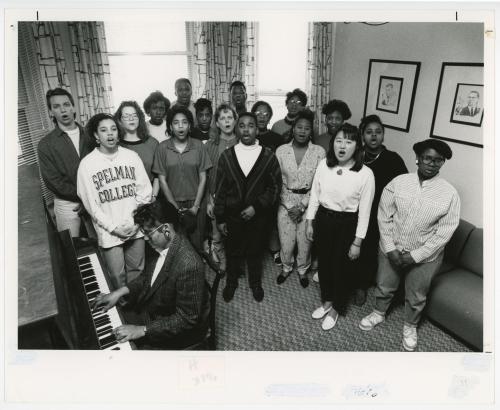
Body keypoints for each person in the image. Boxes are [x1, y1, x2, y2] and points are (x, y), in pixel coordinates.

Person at [359, 139, 460, 352]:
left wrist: (414, 256)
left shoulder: (449, 194)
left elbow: (445, 232)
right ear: (417, 159)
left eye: (438, 160)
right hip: (391, 247)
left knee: (416, 295)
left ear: (443, 163)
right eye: (427, 158)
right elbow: (383, 217)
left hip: (426, 256)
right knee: (384, 285)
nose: (432, 164)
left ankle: (410, 326)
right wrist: (390, 248)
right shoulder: (398, 182)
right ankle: (378, 313)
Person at [90, 200, 210, 350]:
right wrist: (118, 293)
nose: (145, 238)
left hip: (176, 331)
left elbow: (186, 319)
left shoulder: (189, 265)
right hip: (154, 311)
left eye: (148, 232)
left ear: (166, 229)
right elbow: (147, 278)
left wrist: (141, 330)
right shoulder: (161, 247)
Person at [306, 123, 375, 331]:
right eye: (338, 140)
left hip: (348, 224)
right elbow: (315, 195)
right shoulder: (323, 165)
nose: (342, 146)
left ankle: (337, 307)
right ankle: (326, 301)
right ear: (332, 143)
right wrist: (310, 222)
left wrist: (357, 242)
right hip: (324, 220)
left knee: (342, 267)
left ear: (357, 146)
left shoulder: (365, 173)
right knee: (325, 264)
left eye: (349, 141)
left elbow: (365, 212)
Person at [77, 113, 152, 289]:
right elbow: (91, 206)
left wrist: (136, 222)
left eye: (113, 129)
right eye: (103, 130)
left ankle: (138, 308)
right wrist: (114, 228)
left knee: (137, 271)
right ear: (96, 136)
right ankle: (125, 312)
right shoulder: (87, 165)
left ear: (118, 133)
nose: (110, 134)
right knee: (117, 277)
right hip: (109, 232)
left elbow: (145, 191)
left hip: (135, 226)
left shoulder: (131, 156)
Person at [215, 112, 282, 302]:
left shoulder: (268, 156)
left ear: (257, 129)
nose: (246, 129)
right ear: (237, 128)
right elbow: (219, 189)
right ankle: (232, 282)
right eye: (242, 125)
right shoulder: (227, 157)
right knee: (233, 250)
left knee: (255, 251)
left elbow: (275, 187)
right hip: (232, 215)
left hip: (258, 216)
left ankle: (255, 282)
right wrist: (220, 218)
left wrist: (257, 206)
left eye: (250, 125)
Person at [353, 115, 408, 305]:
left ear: (383, 135)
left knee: (368, 249)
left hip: (381, 214)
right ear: (362, 135)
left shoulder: (393, 159)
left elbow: (404, 189)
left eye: (378, 132)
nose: (374, 136)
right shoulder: (356, 155)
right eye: (369, 132)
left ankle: (362, 285)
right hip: (355, 210)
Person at [275, 109, 325, 288]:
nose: (302, 131)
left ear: (311, 131)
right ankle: (286, 267)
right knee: (286, 242)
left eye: (307, 128)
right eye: (299, 127)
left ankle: (303, 269)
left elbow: (320, 184)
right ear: (293, 128)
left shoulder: (319, 152)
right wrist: (289, 205)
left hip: (309, 204)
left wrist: (303, 206)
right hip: (285, 203)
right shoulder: (281, 151)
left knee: (305, 242)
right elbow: (276, 181)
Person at [152, 106, 212, 252]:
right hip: (172, 203)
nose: (180, 126)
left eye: (184, 122)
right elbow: (162, 180)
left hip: (196, 202)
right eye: (176, 122)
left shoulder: (198, 146)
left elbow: (203, 177)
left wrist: (196, 207)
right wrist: (174, 208)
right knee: (175, 245)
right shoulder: (162, 148)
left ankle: (197, 274)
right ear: (171, 126)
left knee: (197, 244)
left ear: (190, 126)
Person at [37, 88, 93, 237]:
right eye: (56, 106)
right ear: (50, 112)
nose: (63, 110)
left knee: (101, 247)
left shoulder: (91, 135)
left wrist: (89, 200)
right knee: (72, 250)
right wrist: (83, 198)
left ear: (73, 107)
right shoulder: (45, 144)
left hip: (95, 200)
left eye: (66, 104)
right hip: (67, 204)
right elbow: (52, 181)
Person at [205, 103, 239, 272]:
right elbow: (206, 175)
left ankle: (235, 263)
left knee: (235, 233)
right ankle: (223, 260)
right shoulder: (210, 145)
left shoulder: (243, 142)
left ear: (235, 120)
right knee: (217, 234)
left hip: (237, 198)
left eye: (230, 117)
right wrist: (209, 200)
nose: (227, 121)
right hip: (216, 197)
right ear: (217, 123)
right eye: (222, 118)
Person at [251, 100, 284, 265]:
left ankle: (274, 249)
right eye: (258, 113)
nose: (261, 117)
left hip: (270, 184)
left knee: (271, 219)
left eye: (265, 114)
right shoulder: (247, 136)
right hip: (251, 185)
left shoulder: (276, 138)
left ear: (270, 117)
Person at [115, 100, 160, 201]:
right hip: (123, 200)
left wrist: (153, 196)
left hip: (148, 198)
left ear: (140, 118)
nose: (131, 118)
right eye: (126, 116)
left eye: (135, 115)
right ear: (119, 120)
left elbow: (158, 175)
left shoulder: (152, 143)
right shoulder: (115, 145)